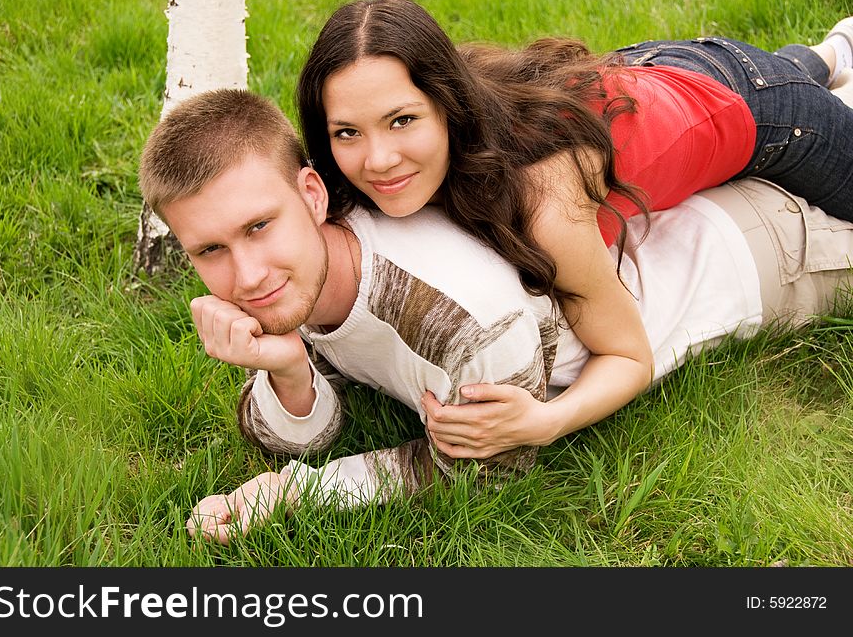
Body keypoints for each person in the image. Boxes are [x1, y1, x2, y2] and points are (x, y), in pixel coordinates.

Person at [137, 88, 853, 544]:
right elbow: (301, 428)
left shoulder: (458, 315)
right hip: (657, 197)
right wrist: (288, 366)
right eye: (210, 249)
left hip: (765, 249)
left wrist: (298, 494)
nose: (248, 275)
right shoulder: (316, 259)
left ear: (313, 192)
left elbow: (486, 472)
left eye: (259, 226)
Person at [296, 0, 853, 462]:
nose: (379, 160)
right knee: (791, 75)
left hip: (759, 111)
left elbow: (629, 355)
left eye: (402, 121)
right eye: (347, 133)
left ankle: (825, 62)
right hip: (656, 75)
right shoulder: (385, 170)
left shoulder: (542, 198)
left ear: (449, 106)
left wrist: (547, 421)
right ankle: (832, 55)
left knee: (790, 93)